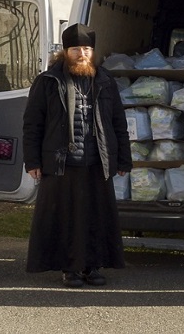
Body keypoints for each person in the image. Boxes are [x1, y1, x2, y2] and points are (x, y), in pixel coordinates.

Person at [23, 23, 132, 288]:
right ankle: (70, 269)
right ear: (65, 52)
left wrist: (123, 159)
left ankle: (92, 267)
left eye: (86, 49)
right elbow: (32, 123)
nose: (81, 53)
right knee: (66, 217)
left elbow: (118, 122)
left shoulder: (105, 80)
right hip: (62, 162)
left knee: (96, 216)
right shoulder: (48, 81)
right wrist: (33, 161)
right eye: (75, 49)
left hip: (98, 161)